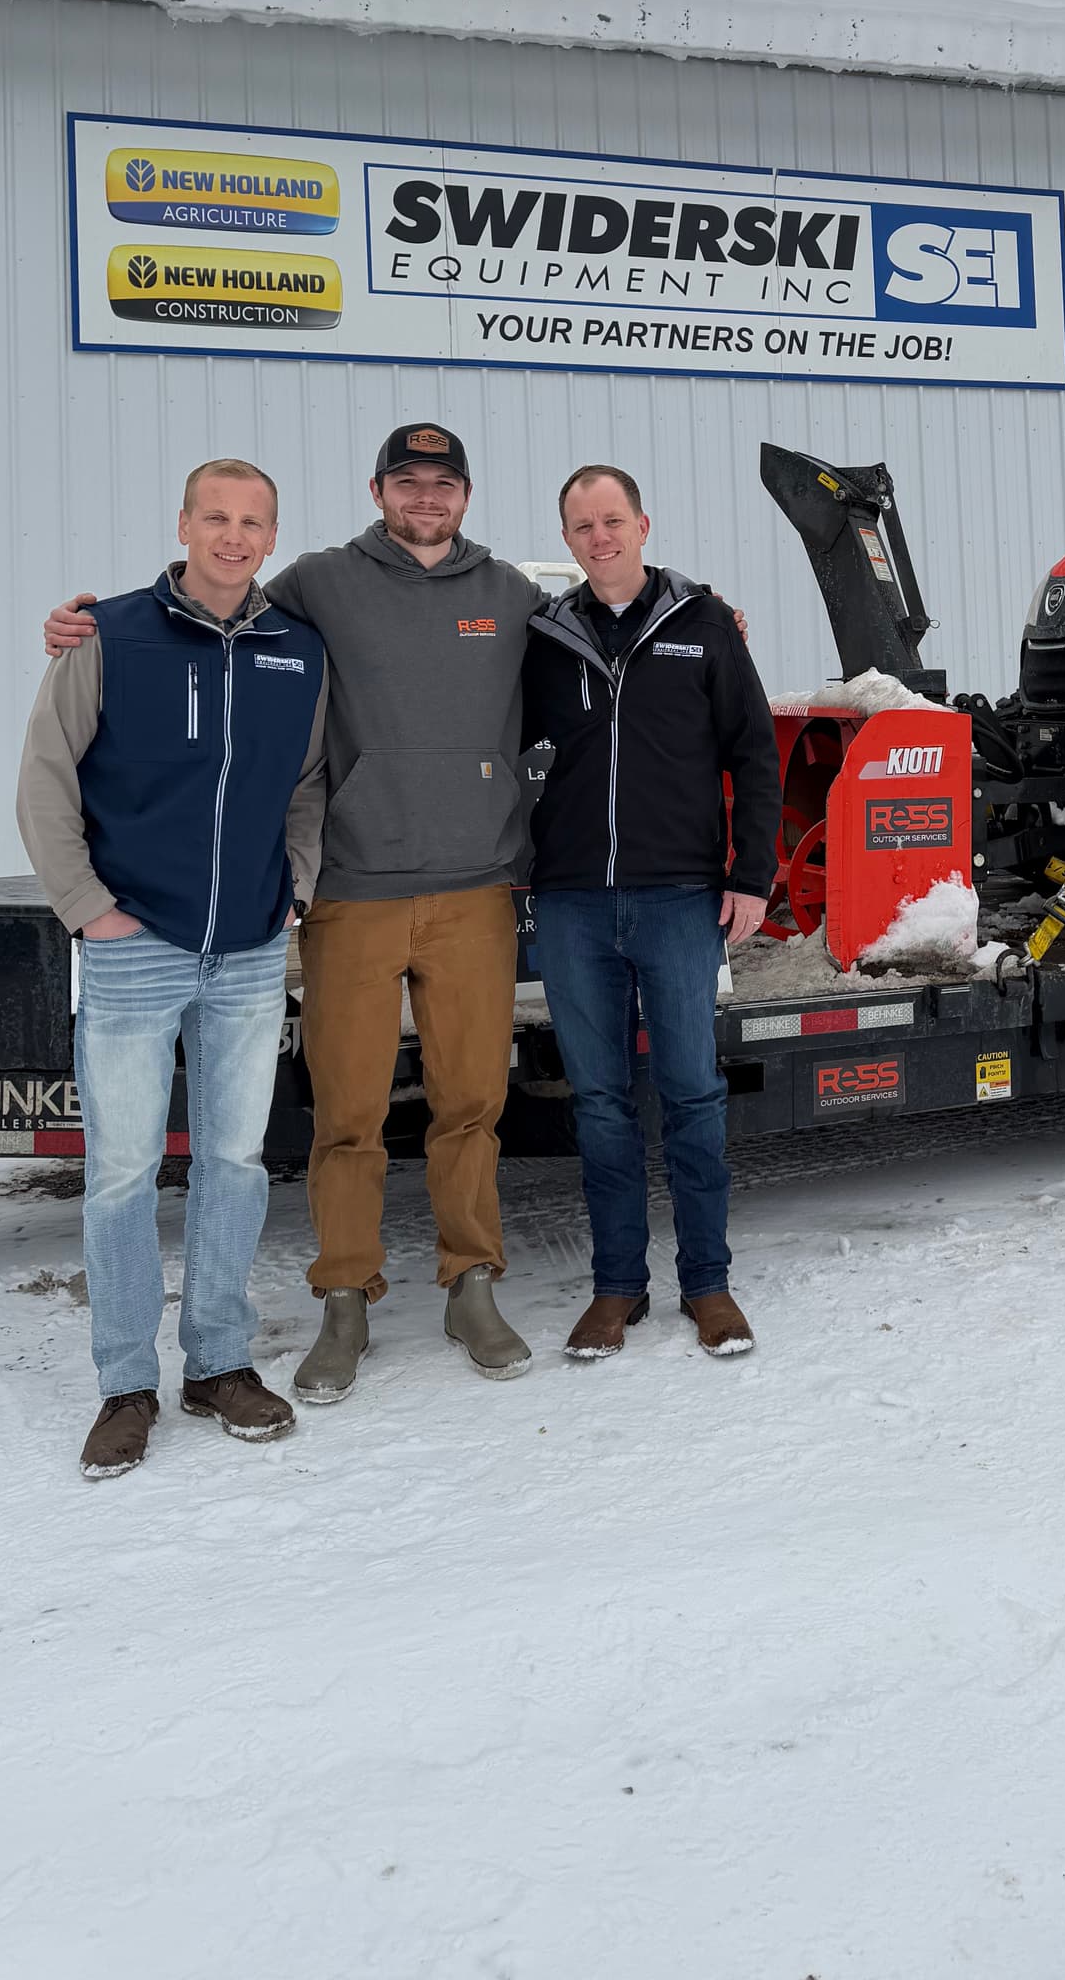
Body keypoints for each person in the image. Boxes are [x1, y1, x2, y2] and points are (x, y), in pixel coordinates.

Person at [46, 424, 540, 1398]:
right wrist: (82, 630)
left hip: (475, 889)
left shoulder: (512, 594)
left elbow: (598, 643)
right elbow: (207, 611)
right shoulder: (317, 580)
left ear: (466, 495)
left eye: (443, 483)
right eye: (408, 481)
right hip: (353, 894)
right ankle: (346, 1297)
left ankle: (472, 1284)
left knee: (473, 1105)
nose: (427, 497)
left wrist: (706, 612)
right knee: (348, 1113)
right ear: (378, 490)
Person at [17, 459, 328, 1480]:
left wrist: (295, 887)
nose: (234, 537)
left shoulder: (297, 651)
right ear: (184, 524)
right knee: (120, 1173)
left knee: (234, 1162)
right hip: (133, 946)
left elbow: (308, 784)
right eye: (216, 517)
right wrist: (86, 908)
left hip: (248, 949)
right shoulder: (108, 635)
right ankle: (124, 1384)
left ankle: (218, 1364)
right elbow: (46, 777)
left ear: (271, 537)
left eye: (252, 522)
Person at [523, 463, 782, 1359]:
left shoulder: (702, 626)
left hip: (679, 898)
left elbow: (754, 754)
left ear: (642, 525)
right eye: (582, 526)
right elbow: (495, 740)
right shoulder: (545, 638)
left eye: (612, 521)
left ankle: (707, 1284)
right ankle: (617, 1287)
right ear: (567, 541)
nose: (599, 538)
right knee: (599, 1103)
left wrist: (752, 874)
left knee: (693, 1096)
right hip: (572, 903)